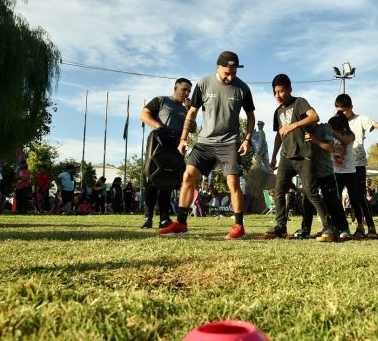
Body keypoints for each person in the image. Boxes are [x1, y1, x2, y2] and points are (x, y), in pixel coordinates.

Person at [159, 51, 255, 239]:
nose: (230, 77)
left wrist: (247, 139)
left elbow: (251, 117)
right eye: (227, 73)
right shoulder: (203, 83)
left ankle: (239, 227)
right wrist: (184, 138)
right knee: (188, 177)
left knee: (233, 181)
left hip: (229, 142)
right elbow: (192, 112)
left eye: (234, 73)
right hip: (205, 142)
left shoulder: (242, 88)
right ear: (217, 67)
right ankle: (181, 224)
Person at [263, 74, 335, 241]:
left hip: (304, 156)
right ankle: (281, 227)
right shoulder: (277, 111)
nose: (278, 96)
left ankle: (328, 228)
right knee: (279, 192)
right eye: (275, 92)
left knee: (310, 192)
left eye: (281, 91)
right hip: (286, 157)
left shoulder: (299, 102)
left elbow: (314, 117)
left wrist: (293, 125)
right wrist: (273, 156)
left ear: (289, 89)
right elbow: (278, 136)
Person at [336, 93, 378, 239]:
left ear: (351, 107)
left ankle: (369, 227)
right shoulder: (336, 121)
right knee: (337, 197)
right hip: (341, 166)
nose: (342, 113)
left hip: (357, 165)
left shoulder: (361, 119)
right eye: (339, 110)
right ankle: (341, 227)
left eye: (344, 110)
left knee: (359, 197)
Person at [140, 78, 194, 229]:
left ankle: (164, 218)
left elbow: (194, 128)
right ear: (175, 88)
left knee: (168, 181)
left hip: (176, 145)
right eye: (184, 89)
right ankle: (147, 217)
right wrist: (159, 126)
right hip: (158, 142)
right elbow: (144, 114)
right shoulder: (161, 100)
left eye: (189, 91)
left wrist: (190, 110)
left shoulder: (186, 109)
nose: (187, 93)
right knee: (152, 180)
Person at [297, 117, 352, 240]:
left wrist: (314, 140)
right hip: (309, 172)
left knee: (332, 201)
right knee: (307, 201)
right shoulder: (301, 130)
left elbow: (331, 148)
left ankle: (343, 229)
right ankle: (305, 230)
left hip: (325, 172)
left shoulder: (324, 128)